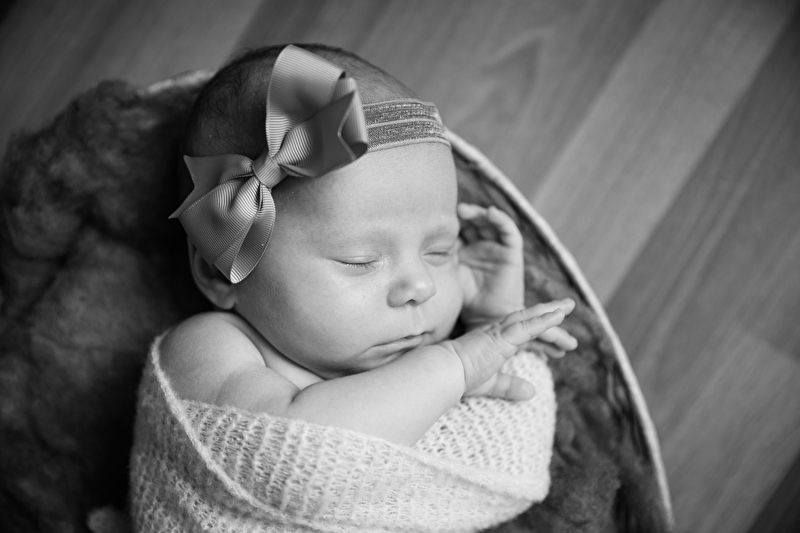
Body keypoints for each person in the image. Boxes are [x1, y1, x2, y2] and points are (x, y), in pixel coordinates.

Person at [130, 43, 577, 532]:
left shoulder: (429, 360)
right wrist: (456, 366)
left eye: (440, 251)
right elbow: (298, 463)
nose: (421, 286)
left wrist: (493, 325)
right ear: (223, 272)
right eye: (360, 261)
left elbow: (513, 472)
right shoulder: (209, 347)